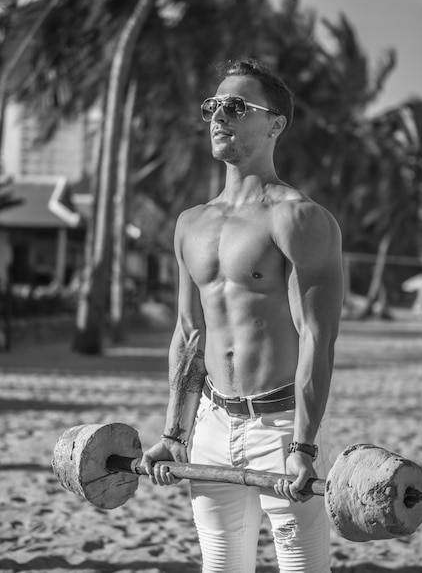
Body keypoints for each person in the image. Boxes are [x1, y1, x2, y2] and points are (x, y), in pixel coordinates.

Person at [140, 58, 344, 573]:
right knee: (220, 567)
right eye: (213, 105)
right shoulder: (191, 223)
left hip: (281, 428)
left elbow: (316, 338)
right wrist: (174, 434)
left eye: (235, 106)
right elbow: (189, 336)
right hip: (210, 425)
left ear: (274, 124)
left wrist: (303, 443)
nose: (217, 115)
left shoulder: (298, 218)